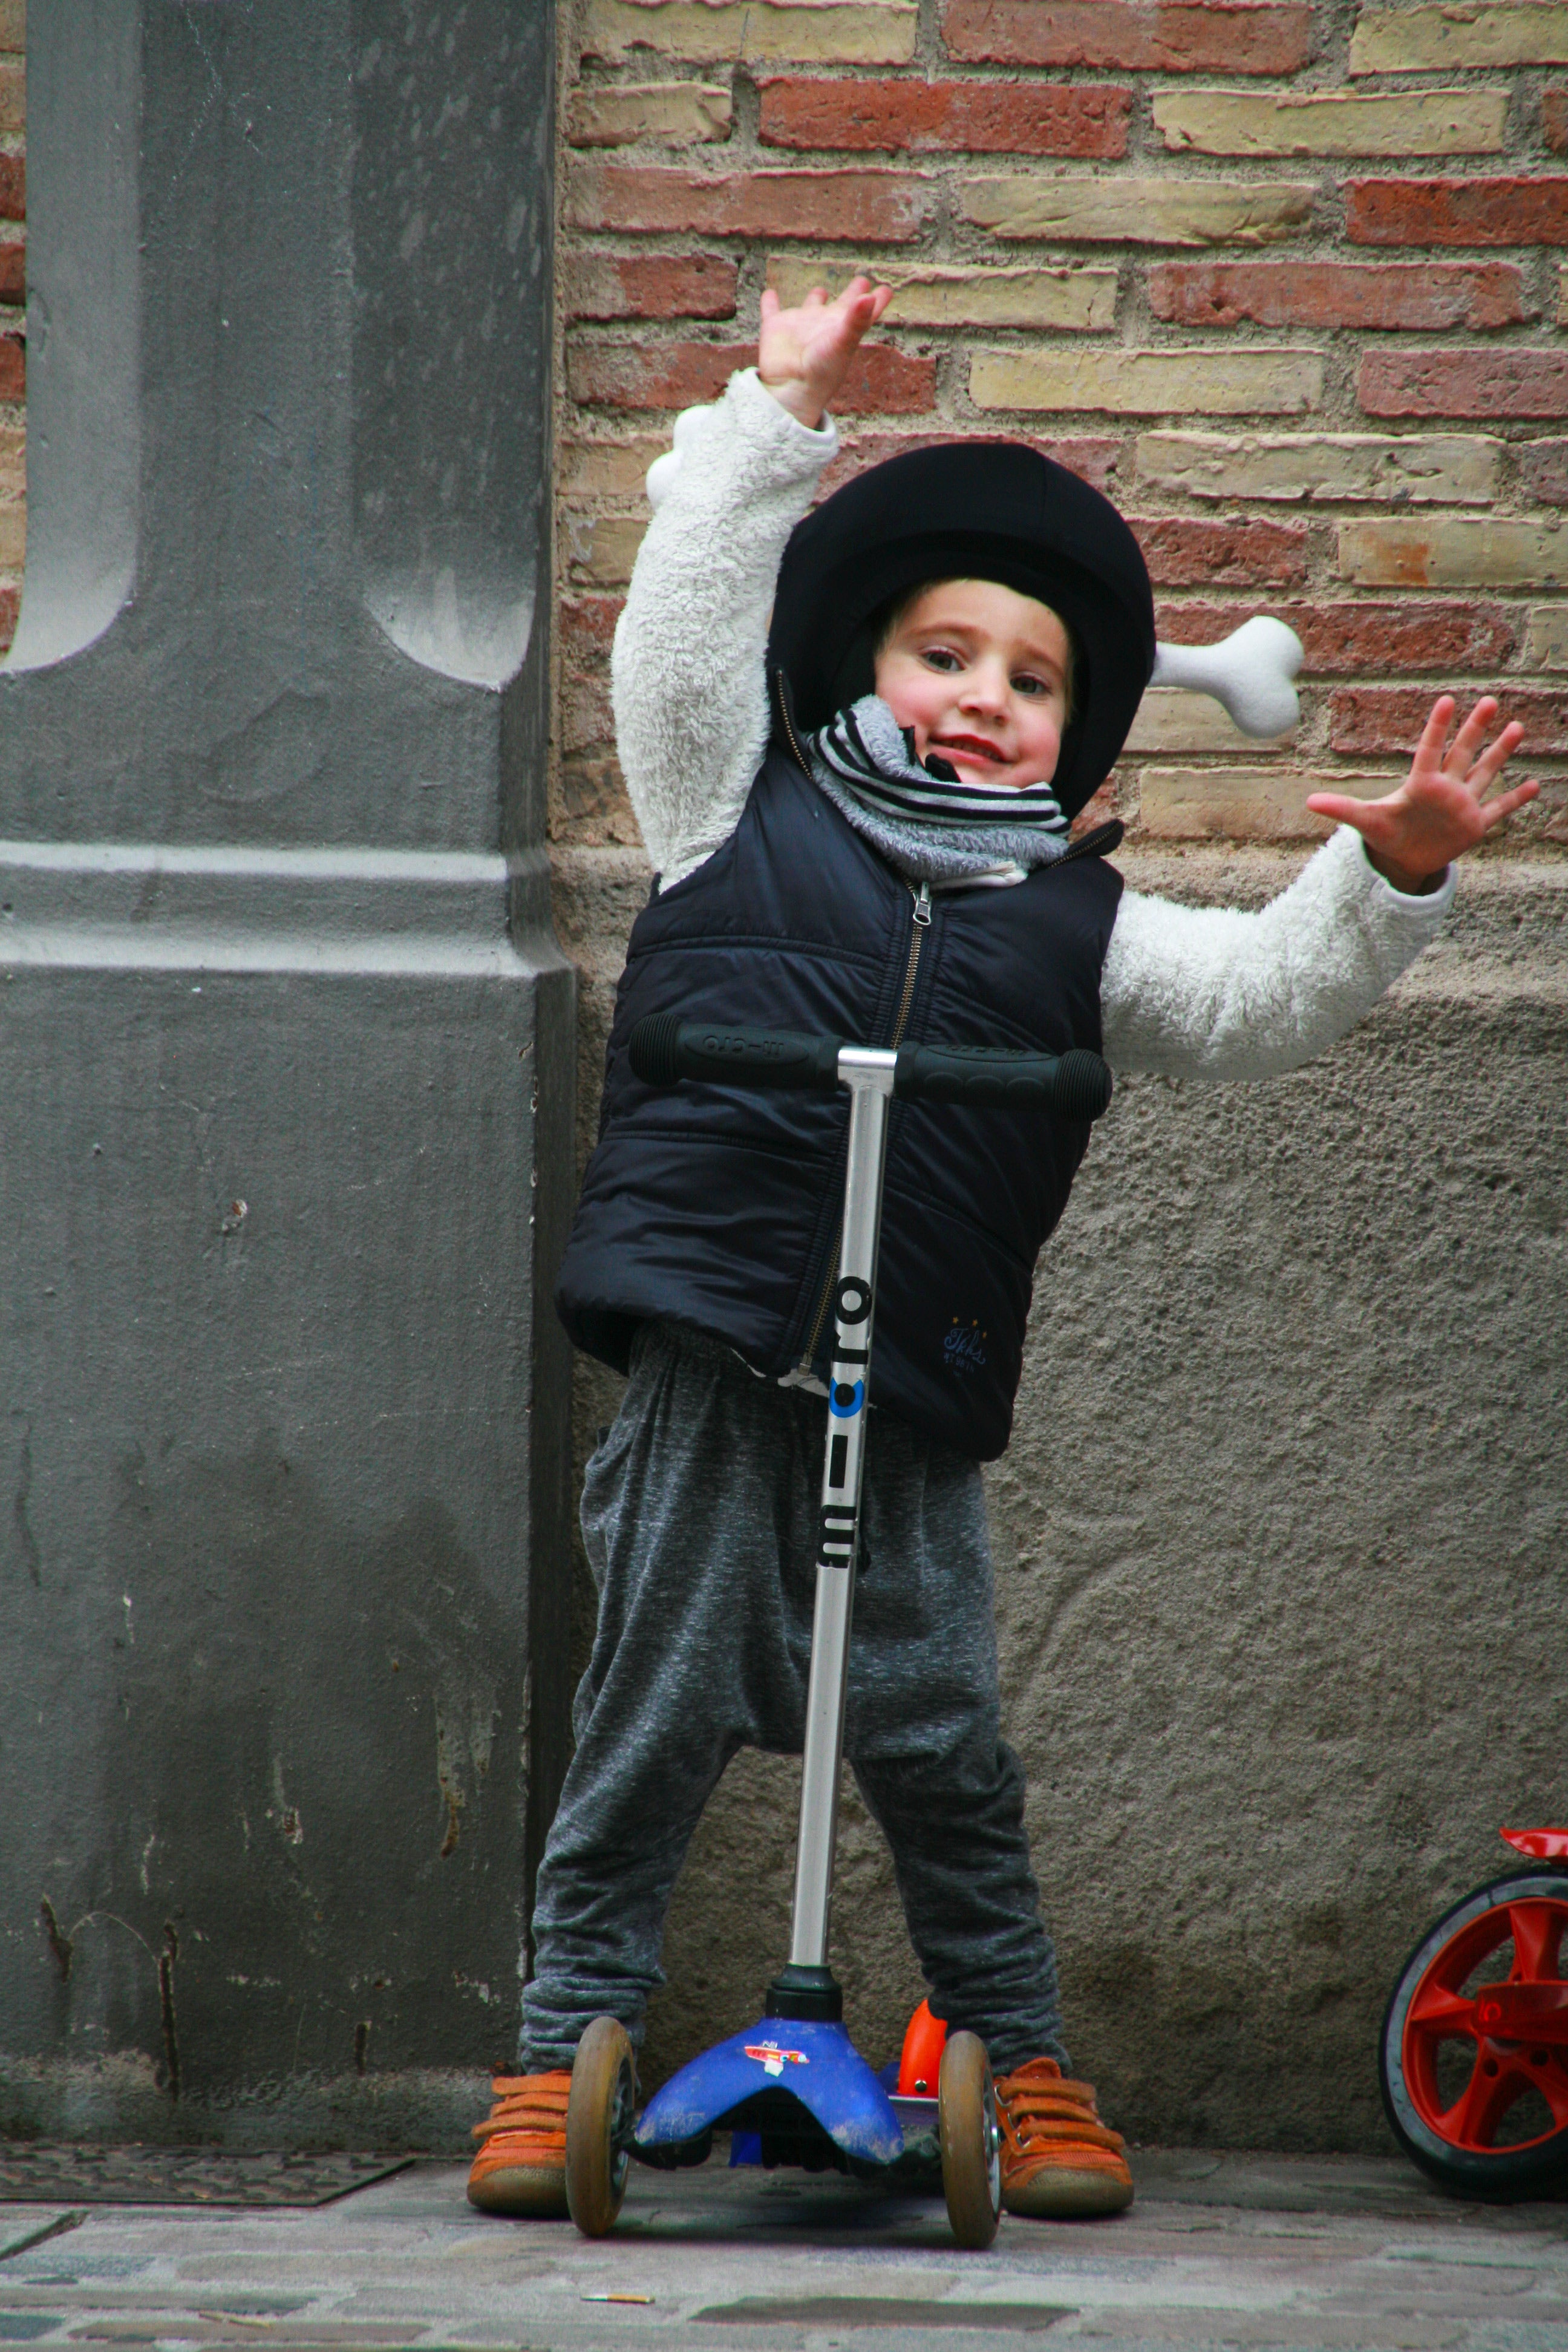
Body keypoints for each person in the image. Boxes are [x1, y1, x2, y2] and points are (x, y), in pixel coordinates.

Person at [468, 280, 1537, 2223]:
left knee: (945, 1740)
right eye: (942, 653)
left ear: (1074, 730)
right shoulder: (731, 811)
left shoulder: (1079, 926)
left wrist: (1386, 874)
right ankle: (562, 2048)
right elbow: (686, 638)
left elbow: (1253, 1000)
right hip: (719, 1361)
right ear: (862, 666)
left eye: (1031, 680)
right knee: (650, 1708)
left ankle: (1018, 2053)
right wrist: (774, 421)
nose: (982, 695)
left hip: (917, 1389)